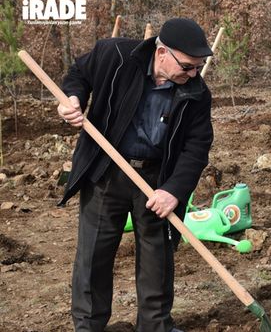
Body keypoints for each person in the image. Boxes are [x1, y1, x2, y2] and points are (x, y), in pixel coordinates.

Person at [57, 18, 214, 331]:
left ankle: (155, 326)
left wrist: (173, 191)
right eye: (187, 66)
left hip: (157, 180)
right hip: (106, 172)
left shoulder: (196, 93)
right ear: (161, 54)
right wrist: (72, 100)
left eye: (198, 67)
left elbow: (197, 148)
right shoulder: (114, 56)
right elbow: (78, 73)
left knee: (158, 261)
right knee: (94, 258)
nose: (193, 74)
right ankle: (88, 325)